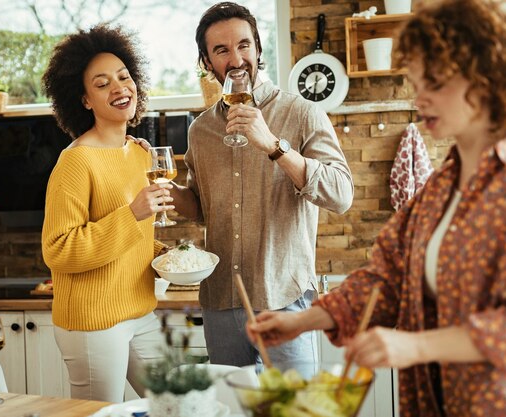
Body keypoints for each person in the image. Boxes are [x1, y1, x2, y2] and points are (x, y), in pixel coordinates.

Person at [247, 1, 506, 416]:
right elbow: (388, 277)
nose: (420, 98)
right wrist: (304, 321)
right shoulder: (440, 189)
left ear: (487, 77)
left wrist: (417, 344)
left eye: (435, 83)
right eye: (416, 82)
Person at [170, 2, 354, 372]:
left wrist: (274, 145)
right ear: (207, 62)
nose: (235, 58)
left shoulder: (300, 112)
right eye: (221, 50)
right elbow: (203, 208)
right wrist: (168, 194)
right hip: (222, 301)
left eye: (243, 45)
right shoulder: (200, 131)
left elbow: (341, 194)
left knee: (295, 411)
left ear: (258, 49)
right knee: (232, 410)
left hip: (284, 299)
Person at [41, 24, 174, 402]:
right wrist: (132, 214)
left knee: (177, 404)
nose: (119, 88)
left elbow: (132, 234)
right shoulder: (75, 162)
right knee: (99, 415)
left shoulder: (140, 153)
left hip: (140, 310)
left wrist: (163, 253)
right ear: (83, 100)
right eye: (102, 84)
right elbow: (59, 249)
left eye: (124, 77)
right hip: (93, 320)